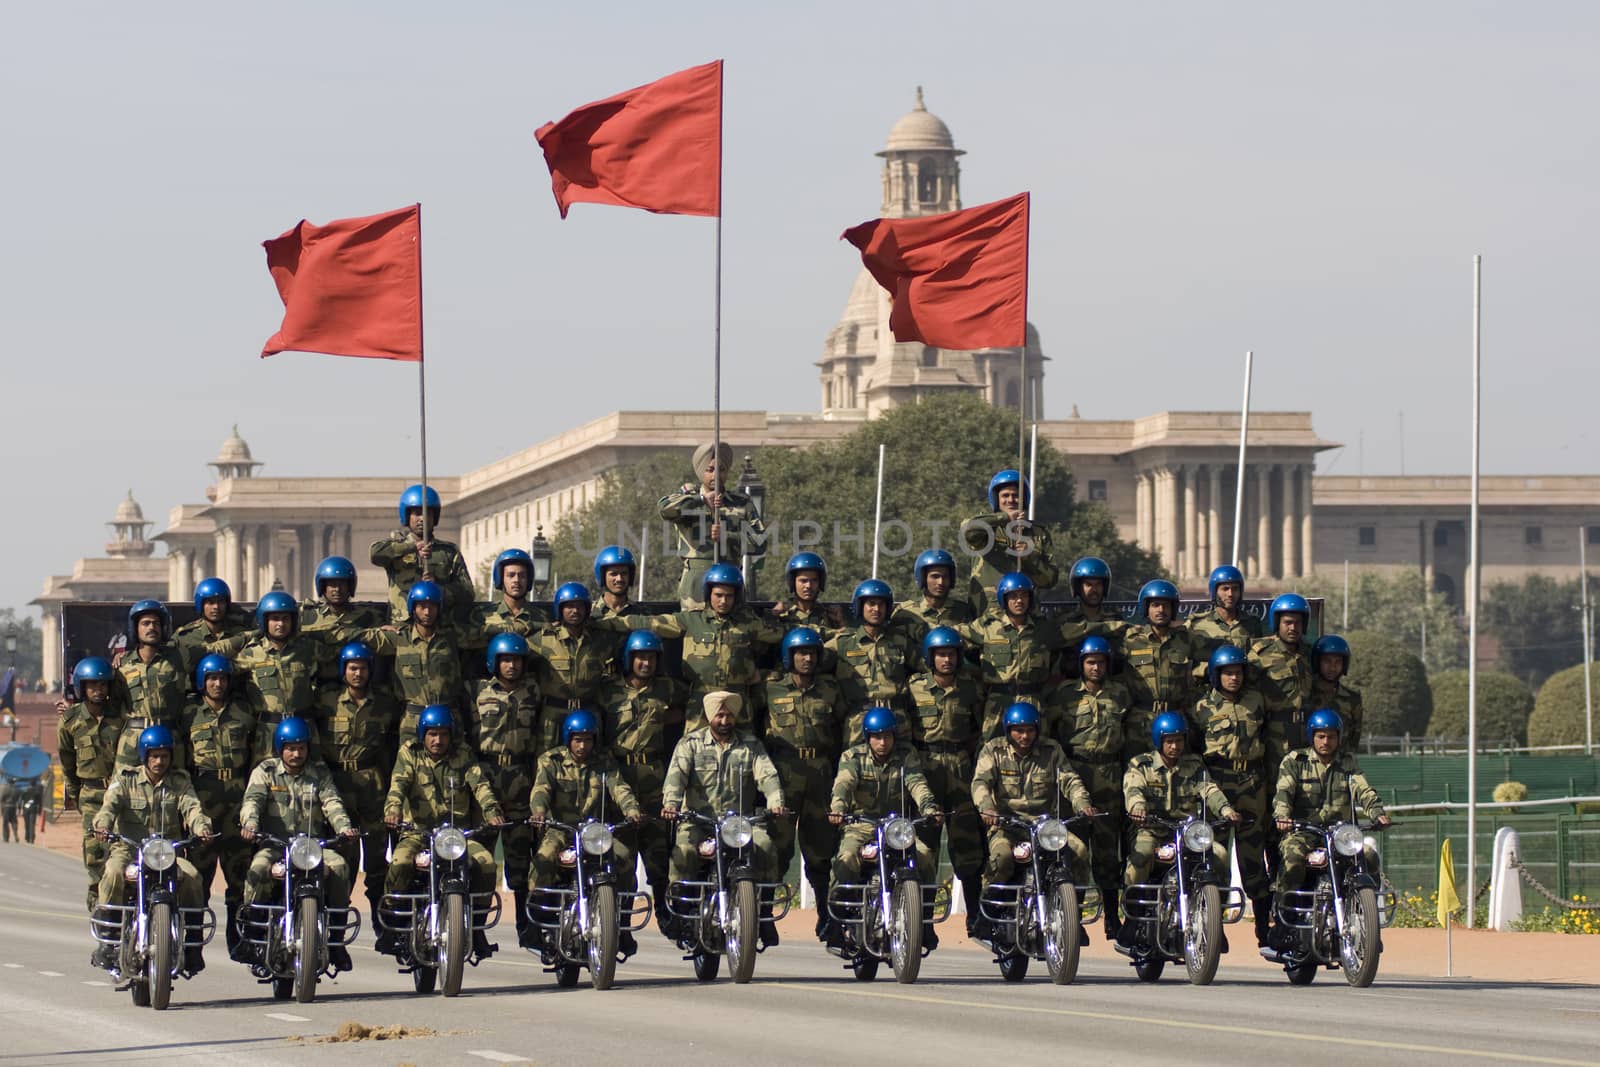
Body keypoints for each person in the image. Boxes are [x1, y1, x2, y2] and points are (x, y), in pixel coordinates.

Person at [661, 691, 788, 947]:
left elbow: (768, 775)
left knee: (765, 846)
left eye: (729, 714)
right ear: (710, 717)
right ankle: (683, 912)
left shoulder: (751, 745)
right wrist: (671, 804)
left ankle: (763, 914)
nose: (725, 719)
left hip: (740, 823)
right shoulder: (690, 744)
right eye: (719, 714)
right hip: (698, 821)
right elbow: (676, 777)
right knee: (683, 852)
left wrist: (776, 801)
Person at [382, 704, 507, 959]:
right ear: (422, 734)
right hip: (418, 833)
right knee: (400, 862)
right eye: (432, 734)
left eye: (443, 734)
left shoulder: (463, 755)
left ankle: (476, 926)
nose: (438, 740)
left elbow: (480, 785)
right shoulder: (410, 754)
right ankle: (394, 923)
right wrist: (393, 810)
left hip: (455, 836)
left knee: (486, 864)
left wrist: (492, 810)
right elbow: (398, 785)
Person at [91, 725, 217, 973]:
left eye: (165, 756)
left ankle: (191, 946)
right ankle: (108, 941)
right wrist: (103, 825)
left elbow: (193, 808)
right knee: (113, 872)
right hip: (129, 849)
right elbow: (108, 807)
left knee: (192, 877)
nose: (160, 761)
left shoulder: (180, 782)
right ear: (144, 756)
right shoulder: (125, 779)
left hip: (166, 852)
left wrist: (201, 827)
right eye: (154, 756)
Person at [238, 717, 360, 971]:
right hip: (275, 846)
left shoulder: (319, 773)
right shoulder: (265, 771)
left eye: (301, 748)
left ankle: (335, 940)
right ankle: (255, 937)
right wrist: (250, 824)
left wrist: (344, 828)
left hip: (312, 847)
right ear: (280, 748)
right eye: (290, 748)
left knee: (339, 867)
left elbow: (332, 803)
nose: (296, 753)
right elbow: (253, 800)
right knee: (257, 869)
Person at [970, 702, 1094, 942]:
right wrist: (986, 807)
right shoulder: (993, 750)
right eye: (1018, 730)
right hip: (1006, 825)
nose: (1025, 736)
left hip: (1045, 827)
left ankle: (1072, 915)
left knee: (1079, 851)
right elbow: (980, 782)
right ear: (1008, 730)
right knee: (1002, 858)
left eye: (1030, 730)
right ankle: (988, 912)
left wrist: (1082, 804)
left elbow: (1070, 780)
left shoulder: (1051, 750)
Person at [529, 709, 644, 956]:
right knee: (543, 860)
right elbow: (540, 790)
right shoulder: (551, 761)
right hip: (560, 830)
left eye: (588, 739)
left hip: (596, 832)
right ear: (568, 738)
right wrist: (539, 812)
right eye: (578, 739)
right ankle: (542, 922)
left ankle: (621, 923)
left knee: (624, 859)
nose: (583, 745)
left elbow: (619, 788)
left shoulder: (604, 762)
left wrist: (632, 809)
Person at [1119, 712, 1241, 947]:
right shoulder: (1140, 764)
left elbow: (1210, 790)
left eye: (1179, 740)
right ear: (1159, 741)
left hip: (1188, 833)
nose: (1175, 746)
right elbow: (1133, 790)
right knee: (1140, 858)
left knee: (1220, 856)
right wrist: (1138, 807)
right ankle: (1132, 920)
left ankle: (1215, 921)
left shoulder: (1194, 765)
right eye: (1169, 741)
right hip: (1152, 829)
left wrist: (1226, 810)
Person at [827, 706, 943, 949]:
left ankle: (925, 922)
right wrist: (838, 808)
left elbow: (917, 784)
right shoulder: (853, 757)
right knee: (846, 858)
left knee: (924, 857)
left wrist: (929, 807)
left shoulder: (906, 755)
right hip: (861, 825)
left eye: (887, 736)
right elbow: (843, 785)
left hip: (897, 828)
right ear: (868, 738)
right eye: (877, 736)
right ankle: (838, 922)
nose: (883, 742)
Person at [758, 627, 846, 935]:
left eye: (811, 653)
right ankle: (763, 917)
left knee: (821, 851)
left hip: (820, 773)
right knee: (776, 850)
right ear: (789, 656)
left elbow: (842, 731)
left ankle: (827, 917)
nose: (806, 659)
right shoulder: (770, 688)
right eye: (800, 653)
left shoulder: (831, 689)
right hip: (783, 772)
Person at [596, 630, 686, 931]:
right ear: (628, 659)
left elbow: (691, 708)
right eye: (639, 657)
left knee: (658, 851)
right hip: (618, 776)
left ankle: (664, 912)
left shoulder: (667, 689)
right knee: (621, 857)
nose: (645, 663)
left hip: (654, 776)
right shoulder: (608, 692)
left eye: (650, 657)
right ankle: (619, 924)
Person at [631, 564, 785, 731]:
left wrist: (776, 615)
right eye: (718, 595)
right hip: (700, 702)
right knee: (695, 751)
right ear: (708, 593)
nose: (724, 601)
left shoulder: (748, 623)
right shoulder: (692, 620)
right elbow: (650, 623)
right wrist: (606, 622)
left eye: (729, 596)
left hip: (737, 702)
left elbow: (780, 634)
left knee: (743, 752)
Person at [904, 626, 985, 929]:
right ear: (930, 657)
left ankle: (976, 916)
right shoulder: (913, 687)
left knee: (967, 844)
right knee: (924, 846)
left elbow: (980, 727)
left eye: (951, 654)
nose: (946, 660)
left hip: (960, 767)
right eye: (940, 655)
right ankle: (922, 920)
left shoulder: (969, 689)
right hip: (925, 764)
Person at [1191, 644, 1272, 945]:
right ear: (1216, 675)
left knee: (1253, 854)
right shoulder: (1201, 708)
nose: (1234, 678)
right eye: (1227, 673)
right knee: (1216, 855)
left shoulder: (1256, 701)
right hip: (1218, 780)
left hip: (1252, 781)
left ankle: (1264, 927)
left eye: (1238, 673)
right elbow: (1194, 749)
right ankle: (1217, 926)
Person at [467, 632, 544, 949]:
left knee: (520, 861)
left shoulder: (535, 690)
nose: (511, 666)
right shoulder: (477, 691)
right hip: (487, 776)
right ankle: (475, 930)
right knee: (482, 860)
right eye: (505, 660)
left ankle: (529, 930)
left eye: (516, 660)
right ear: (494, 662)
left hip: (522, 779)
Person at [1052, 635, 1130, 940]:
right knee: (1075, 849)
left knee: (1108, 851)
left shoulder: (1120, 694)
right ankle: (1076, 918)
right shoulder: (1065, 694)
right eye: (1090, 662)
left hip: (1110, 774)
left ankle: (1112, 918)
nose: (1096, 668)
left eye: (1100, 662)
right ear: (1081, 665)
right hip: (1076, 770)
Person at [317, 641, 400, 926]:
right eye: (353, 668)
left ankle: (384, 925)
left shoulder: (385, 703)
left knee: (377, 860)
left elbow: (391, 746)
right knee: (343, 862)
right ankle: (336, 930)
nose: (358, 674)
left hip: (372, 786)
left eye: (363, 668)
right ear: (344, 670)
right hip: (338, 786)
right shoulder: (326, 701)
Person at [182, 653, 257, 955]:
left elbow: (256, 750)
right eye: (212, 678)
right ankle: (190, 946)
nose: (217, 683)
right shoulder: (189, 713)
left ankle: (241, 940)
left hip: (237, 799)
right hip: (203, 798)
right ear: (202, 681)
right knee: (197, 880)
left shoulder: (244, 711)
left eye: (222, 678)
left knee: (240, 876)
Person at [1273, 709, 1390, 899]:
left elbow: (1364, 790)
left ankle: (1366, 906)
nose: (1326, 742)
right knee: (1292, 858)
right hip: (1304, 832)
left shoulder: (1348, 762)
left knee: (1369, 856)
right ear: (1312, 736)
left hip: (1340, 834)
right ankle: (1285, 909)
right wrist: (1282, 816)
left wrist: (1377, 813)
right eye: (1321, 736)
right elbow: (1284, 791)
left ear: (1339, 738)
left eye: (1331, 737)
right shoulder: (1295, 761)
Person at [212, 590, 327, 767]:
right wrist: (248, 635)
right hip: (267, 731)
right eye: (274, 619)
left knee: (312, 778)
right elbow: (217, 661)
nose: (280, 624)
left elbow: (338, 653)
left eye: (285, 619)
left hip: (304, 726)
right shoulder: (251, 653)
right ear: (264, 621)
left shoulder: (308, 648)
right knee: (267, 781)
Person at [659, 441, 767, 608]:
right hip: (696, 583)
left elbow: (760, 542)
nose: (716, 475)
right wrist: (700, 500)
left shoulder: (741, 502)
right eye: (710, 470)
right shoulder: (689, 496)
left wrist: (728, 536)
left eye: (721, 470)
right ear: (701, 471)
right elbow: (664, 509)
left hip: (729, 581)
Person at [57, 656, 128, 912]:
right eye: (92, 686)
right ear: (81, 687)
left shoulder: (120, 716)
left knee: (127, 850)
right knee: (96, 856)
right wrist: (79, 796)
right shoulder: (70, 721)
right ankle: (102, 917)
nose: (98, 690)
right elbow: (67, 763)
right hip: (92, 795)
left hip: (122, 795)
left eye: (103, 685)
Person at [959, 572, 1065, 739]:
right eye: (1013, 596)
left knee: (1037, 748)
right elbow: (952, 636)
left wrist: (1116, 626)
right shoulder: (988, 627)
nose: (1019, 601)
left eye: (1024, 596)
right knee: (991, 747)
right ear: (1004, 598)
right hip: (998, 701)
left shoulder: (1043, 629)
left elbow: (1081, 629)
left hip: (1032, 698)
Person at [530, 581, 633, 752]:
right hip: (553, 715)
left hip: (588, 712)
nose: (575, 611)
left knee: (591, 764)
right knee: (546, 763)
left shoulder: (601, 641)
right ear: (560, 609)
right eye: (569, 606)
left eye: (580, 606)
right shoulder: (543, 639)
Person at [361, 580, 469, 744]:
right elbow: (360, 637)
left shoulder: (452, 638)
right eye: (421, 606)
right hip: (413, 721)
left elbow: (483, 635)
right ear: (413, 608)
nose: (427, 612)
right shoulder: (399, 638)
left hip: (447, 718)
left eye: (432, 606)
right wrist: (377, 630)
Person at [371, 483, 476, 628]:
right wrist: (411, 547)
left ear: (435, 517)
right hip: (402, 628)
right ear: (407, 516)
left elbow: (468, 592)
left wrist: (439, 587)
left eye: (427, 513)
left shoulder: (448, 552)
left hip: (438, 629)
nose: (422, 518)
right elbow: (375, 553)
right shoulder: (397, 548)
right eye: (417, 513)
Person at [827, 579, 920, 743]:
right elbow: (808, 662)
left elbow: (930, 668)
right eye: (871, 604)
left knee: (899, 767)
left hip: (897, 720)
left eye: (881, 604)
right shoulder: (842, 643)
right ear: (860, 606)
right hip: (858, 721)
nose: (876, 609)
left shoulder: (900, 642)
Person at [1119, 579, 1202, 762]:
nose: (1161, 610)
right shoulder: (1130, 640)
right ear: (1146, 608)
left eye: (1166, 605)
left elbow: (1219, 655)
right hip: (1140, 722)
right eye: (1155, 605)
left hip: (1175, 720)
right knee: (1137, 773)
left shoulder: (1186, 640)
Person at [963, 469, 1060, 614]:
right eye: (1005, 496)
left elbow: (1050, 580)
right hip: (989, 617)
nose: (1010, 500)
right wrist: (1006, 518)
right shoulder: (986, 528)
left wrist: (1030, 558)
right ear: (996, 499)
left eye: (1016, 495)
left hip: (1027, 618)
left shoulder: (1039, 534)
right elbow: (969, 530)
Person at [115, 599, 189, 770]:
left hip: (168, 736)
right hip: (133, 739)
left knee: (173, 790)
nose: (151, 628)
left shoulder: (178, 659)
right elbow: (109, 705)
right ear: (135, 628)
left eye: (156, 623)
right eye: (145, 623)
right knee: (125, 788)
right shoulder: (122, 664)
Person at [1248, 593, 1316, 776]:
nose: (1293, 628)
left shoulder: (1311, 655)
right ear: (1277, 623)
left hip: (1307, 732)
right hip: (1274, 735)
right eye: (1287, 622)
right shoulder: (1260, 654)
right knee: (1275, 789)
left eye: (1297, 623)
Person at [299, 557, 386, 686]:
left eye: (342, 584)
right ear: (323, 587)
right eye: (332, 584)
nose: (337, 590)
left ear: (350, 586)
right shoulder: (307, 617)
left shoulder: (369, 617)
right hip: (319, 689)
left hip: (359, 688)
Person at [172, 578, 252, 682]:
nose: (216, 607)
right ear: (201, 605)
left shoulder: (241, 633)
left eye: (221, 602)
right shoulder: (184, 637)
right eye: (210, 602)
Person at [1056, 556, 1128, 670]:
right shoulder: (1065, 619)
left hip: (1110, 684)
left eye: (1098, 584)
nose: (1094, 590)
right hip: (1072, 684)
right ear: (1078, 587)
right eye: (1088, 585)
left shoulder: (1115, 618)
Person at [891, 548, 976, 642]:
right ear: (923, 578)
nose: (940, 582)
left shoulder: (963, 612)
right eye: (935, 576)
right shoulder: (906, 612)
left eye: (945, 577)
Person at [1186, 565, 1263, 662]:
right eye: (1225, 589)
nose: (1230, 594)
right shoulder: (1196, 624)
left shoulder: (1252, 623)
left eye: (1235, 589)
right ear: (1215, 591)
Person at [1309, 634, 1365, 751]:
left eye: (1337, 662)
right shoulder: (1305, 694)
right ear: (1317, 662)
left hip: (1340, 765)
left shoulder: (1352, 699)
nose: (1332, 668)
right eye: (1327, 661)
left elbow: (1354, 738)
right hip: (1308, 764)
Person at [770, 552, 843, 637]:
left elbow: (847, 643)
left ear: (820, 582)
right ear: (793, 582)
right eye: (803, 581)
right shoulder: (782, 614)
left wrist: (840, 622)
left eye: (814, 580)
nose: (808, 586)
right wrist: (772, 617)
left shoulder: (829, 615)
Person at [590, 545, 645, 622]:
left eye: (624, 573)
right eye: (614, 574)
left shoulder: (641, 614)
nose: (619, 579)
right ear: (602, 576)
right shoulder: (589, 613)